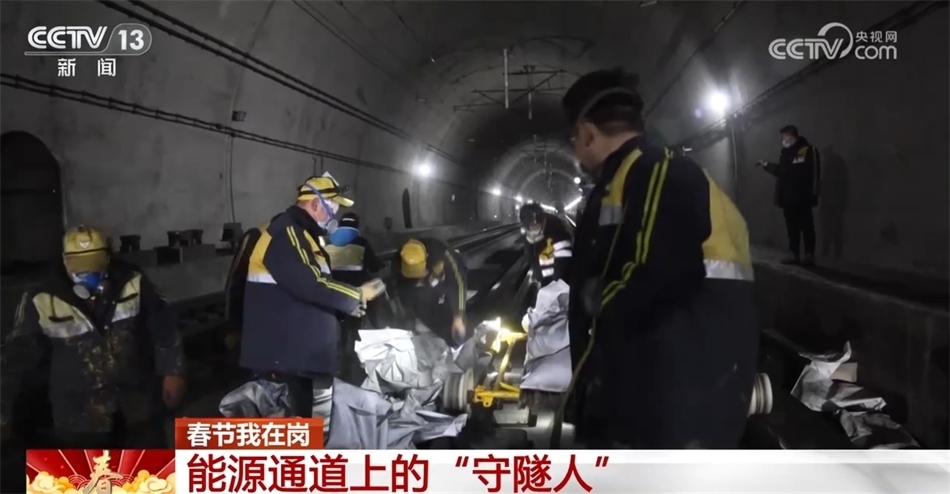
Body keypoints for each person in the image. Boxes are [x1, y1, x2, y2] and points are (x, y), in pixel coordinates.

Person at [554, 67, 759, 449]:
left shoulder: (662, 174)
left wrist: (592, 296)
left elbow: (653, 277)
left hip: (671, 411)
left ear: (586, 133)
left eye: (574, 139)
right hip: (648, 401)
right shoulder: (627, 180)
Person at [0, 226, 186, 448]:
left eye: (94, 263)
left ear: (107, 258)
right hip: (78, 415)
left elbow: (163, 327)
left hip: (136, 405)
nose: (87, 273)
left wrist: (173, 371)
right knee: (86, 470)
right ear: (64, 260)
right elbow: (18, 357)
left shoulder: (133, 282)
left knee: (146, 468)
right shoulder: (42, 298)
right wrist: (4, 410)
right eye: (79, 265)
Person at [239, 173, 387, 430]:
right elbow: (311, 283)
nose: (335, 215)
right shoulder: (287, 234)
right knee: (289, 429)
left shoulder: (305, 236)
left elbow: (316, 285)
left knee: (304, 425)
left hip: (298, 354)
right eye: (334, 208)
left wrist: (346, 307)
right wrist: (356, 294)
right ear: (316, 204)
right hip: (284, 356)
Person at [322, 211, 385, 383]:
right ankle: (353, 371)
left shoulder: (328, 243)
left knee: (338, 332)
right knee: (354, 330)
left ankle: (336, 368)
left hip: (333, 294)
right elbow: (374, 265)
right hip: (354, 294)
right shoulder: (362, 243)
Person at [756, 125, 821, 265]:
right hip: (788, 198)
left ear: (791, 136)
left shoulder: (806, 150)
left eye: (783, 137)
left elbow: (812, 173)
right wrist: (766, 165)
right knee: (792, 228)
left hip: (802, 198)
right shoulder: (786, 153)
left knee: (806, 226)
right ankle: (794, 254)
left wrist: (813, 195)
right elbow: (783, 172)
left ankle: (809, 255)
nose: (782, 140)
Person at [393, 238, 467, 346]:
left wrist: (458, 316)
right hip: (424, 283)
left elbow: (458, 283)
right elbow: (402, 290)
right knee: (421, 299)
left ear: (427, 256)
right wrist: (411, 315)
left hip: (442, 274)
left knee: (452, 298)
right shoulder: (398, 260)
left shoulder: (441, 253)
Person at [519, 202, 573, 287]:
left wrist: (551, 288)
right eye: (527, 227)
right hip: (545, 284)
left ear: (543, 221)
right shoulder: (534, 238)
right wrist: (530, 244)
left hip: (556, 287)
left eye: (533, 226)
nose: (531, 231)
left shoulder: (559, 239)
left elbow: (563, 270)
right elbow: (531, 259)